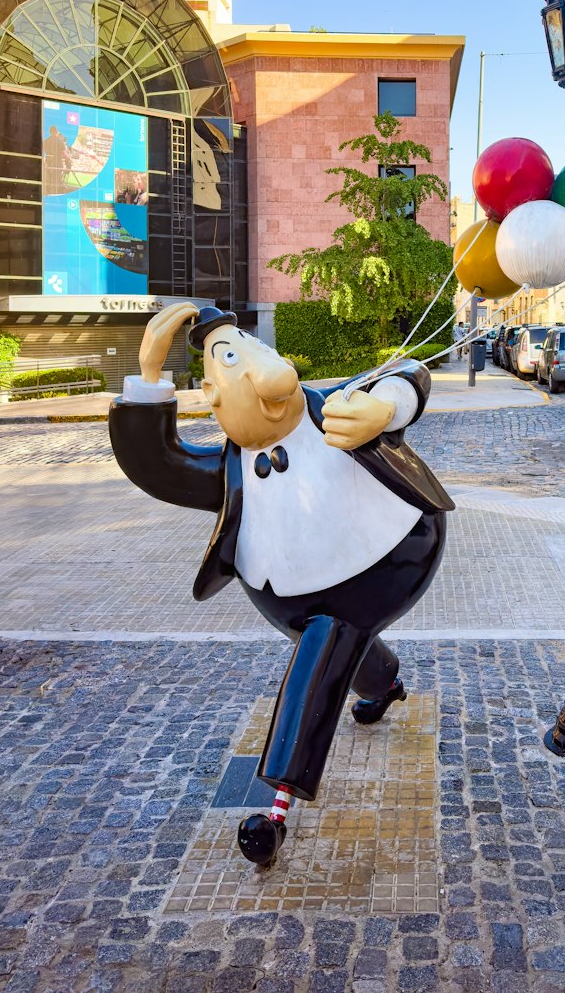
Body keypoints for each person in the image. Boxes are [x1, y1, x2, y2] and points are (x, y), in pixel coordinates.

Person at [108, 303, 453, 868]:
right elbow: (157, 465)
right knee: (344, 646)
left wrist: (384, 410)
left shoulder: (331, 412)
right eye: (230, 364)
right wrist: (147, 379)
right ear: (215, 400)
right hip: (286, 593)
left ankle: (277, 807)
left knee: (324, 652)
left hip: (387, 559)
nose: (262, 371)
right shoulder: (229, 469)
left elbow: (407, 372)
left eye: (253, 350)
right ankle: (382, 682)